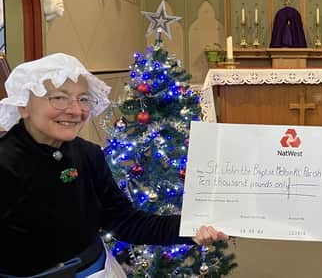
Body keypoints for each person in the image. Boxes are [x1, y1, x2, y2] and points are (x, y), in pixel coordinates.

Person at [0, 53, 228, 277]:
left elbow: (124, 221)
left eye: (82, 99)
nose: (75, 110)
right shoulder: (5, 162)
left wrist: (192, 227)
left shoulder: (87, 154)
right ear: (24, 106)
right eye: (59, 98)